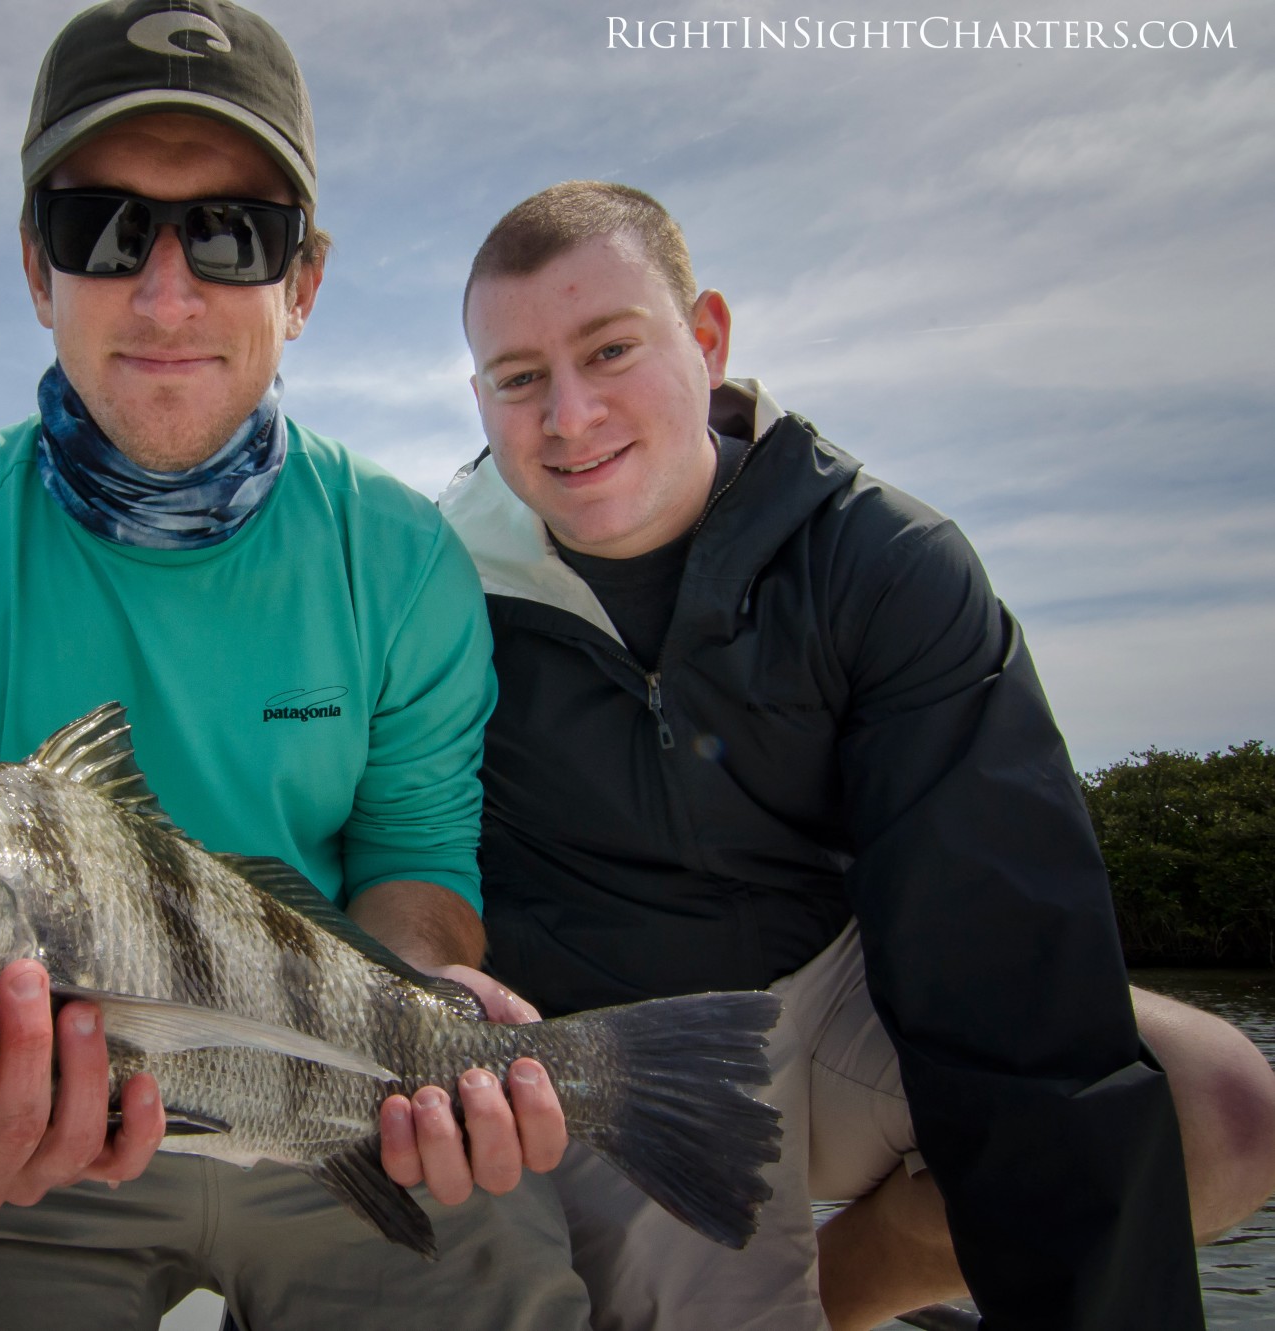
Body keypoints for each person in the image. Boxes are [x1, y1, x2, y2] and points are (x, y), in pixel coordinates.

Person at [0, 4, 583, 1328]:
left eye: (232, 234)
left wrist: (429, 1004)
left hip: (332, 1096)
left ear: (302, 283)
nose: (167, 291)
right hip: (21, 1151)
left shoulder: (403, 557)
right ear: (36, 268)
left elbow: (415, 860)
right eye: (104, 229)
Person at [432, 180, 1275, 1330]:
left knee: (1219, 1109)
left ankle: (845, 1294)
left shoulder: (887, 562)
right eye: (519, 377)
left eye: (611, 348)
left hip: (835, 998)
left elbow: (1003, 978)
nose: (570, 415)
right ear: (480, 397)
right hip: (609, 1047)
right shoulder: (427, 591)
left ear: (709, 336)